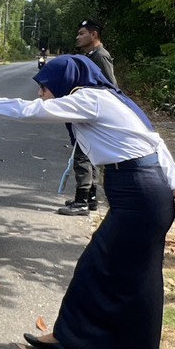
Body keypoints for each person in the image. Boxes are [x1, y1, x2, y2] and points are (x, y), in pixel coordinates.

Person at [0, 55, 175, 349]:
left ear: (63, 83)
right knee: (93, 268)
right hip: (136, 192)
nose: (42, 94)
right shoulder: (104, 98)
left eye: (45, 87)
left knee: (136, 282)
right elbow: (155, 141)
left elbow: (31, 111)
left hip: (140, 196)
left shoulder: (90, 99)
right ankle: (64, 336)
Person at [59, 18, 117, 215]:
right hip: (89, 112)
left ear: (94, 35)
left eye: (82, 33)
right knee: (88, 155)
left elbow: (110, 87)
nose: (78, 37)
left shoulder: (100, 56)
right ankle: (91, 199)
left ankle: (81, 201)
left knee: (82, 156)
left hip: (93, 114)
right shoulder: (92, 55)